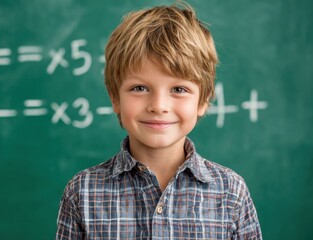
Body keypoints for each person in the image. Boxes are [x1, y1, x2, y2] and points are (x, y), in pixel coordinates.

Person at [56, 3, 262, 239]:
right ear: (115, 98)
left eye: (179, 89)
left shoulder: (231, 192)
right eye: (140, 88)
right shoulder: (82, 193)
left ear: (203, 100)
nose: (159, 105)